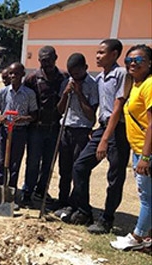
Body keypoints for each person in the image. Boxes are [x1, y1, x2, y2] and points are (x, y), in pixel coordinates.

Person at [69, 39, 130, 234]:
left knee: (115, 176)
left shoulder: (120, 74)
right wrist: (98, 131)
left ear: (114, 54)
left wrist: (105, 138)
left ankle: (107, 219)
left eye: (102, 53)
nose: (97, 56)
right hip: (102, 128)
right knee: (79, 166)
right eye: (97, 52)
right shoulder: (100, 78)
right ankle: (84, 210)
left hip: (118, 130)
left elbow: (117, 108)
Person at [110, 44, 152, 250]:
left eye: (138, 60)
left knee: (147, 198)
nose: (132, 64)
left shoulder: (149, 85)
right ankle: (147, 238)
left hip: (147, 152)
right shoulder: (136, 84)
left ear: (150, 63)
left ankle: (137, 237)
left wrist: (145, 157)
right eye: (129, 60)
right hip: (138, 149)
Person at [54, 53, 99, 220]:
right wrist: (66, 94)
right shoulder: (67, 82)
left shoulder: (92, 85)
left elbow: (91, 116)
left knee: (77, 169)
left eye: (78, 73)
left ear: (85, 69)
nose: (75, 77)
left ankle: (76, 204)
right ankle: (62, 201)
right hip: (65, 129)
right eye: (72, 73)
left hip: (81, 131)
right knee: (64, 169)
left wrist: (79, 94)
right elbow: (60, 110)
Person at [22, 46, 67, 206]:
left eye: (49, 59)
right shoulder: (32, 78)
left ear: (56, 57)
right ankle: (27, 191)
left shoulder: (63, 77)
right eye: (42, 60)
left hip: (55, 128)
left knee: (48, 163)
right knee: (33, 162)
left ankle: (41, 191)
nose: (46, 63)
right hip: (36, 128)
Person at [0, 63, 38, 195]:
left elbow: (34, 114)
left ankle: (11, 193)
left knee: (15, 164)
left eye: (16, 73)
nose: (13, 76)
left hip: (19, 132)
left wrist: (23, 119)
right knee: (1, 162)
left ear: (22, 75)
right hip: (4, 131)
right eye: (11, 73)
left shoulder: (29, 94)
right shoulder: (3, 92)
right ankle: (0, 193)